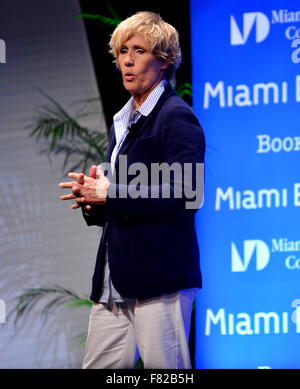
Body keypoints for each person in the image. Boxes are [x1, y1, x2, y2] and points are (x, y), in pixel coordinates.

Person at [59, 11, 205, 369]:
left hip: (159, 278)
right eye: (122, 50)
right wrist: (92, 199)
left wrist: (111, 193)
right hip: (115, 279)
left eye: (138, 50)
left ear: (164, 59)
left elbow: (187, 192)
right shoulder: (123, 120)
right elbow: (123, 199)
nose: (126, 60)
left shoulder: (175, 117)